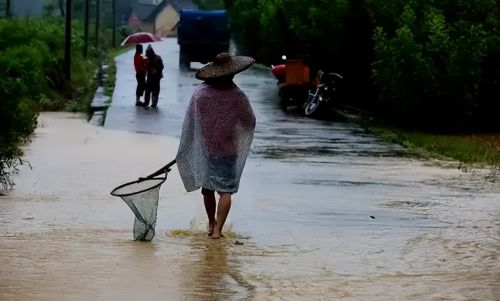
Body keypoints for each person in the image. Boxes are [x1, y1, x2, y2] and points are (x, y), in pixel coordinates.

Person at [176, 53, 256, 239]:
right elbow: (249, 122)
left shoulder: (200, 94)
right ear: (232, 73)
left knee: (208, 188)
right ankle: (218, 230)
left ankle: (211, 223)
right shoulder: (238, 96)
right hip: (229, 149)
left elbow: (191, 122)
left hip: (207, 150)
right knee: (226, 190)